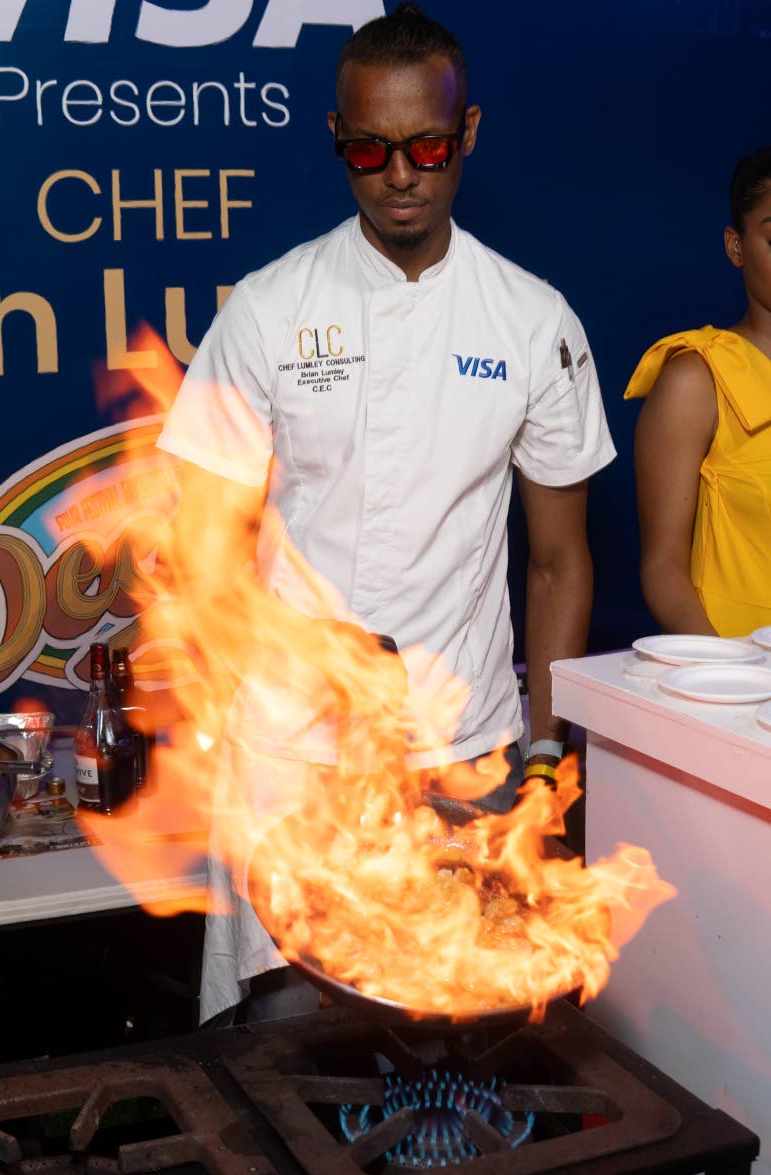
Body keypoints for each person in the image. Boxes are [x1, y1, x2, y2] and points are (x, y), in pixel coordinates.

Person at [157, 3, 615, 1024]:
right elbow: (197, 551)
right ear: (335, 140)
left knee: (467, 1041)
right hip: (296, 758)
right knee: (288, 1037)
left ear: (468, 135)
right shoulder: (270, 311)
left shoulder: (530, 319)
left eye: (426, 146)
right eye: (368, 149)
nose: (399, 174)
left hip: (467, 759)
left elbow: (555, 563)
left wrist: (542, 753)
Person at [628, 145, 771, 638]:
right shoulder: (697, 381)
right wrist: (734, 678)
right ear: (737, 247)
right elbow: (663, 572)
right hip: (736, 693)